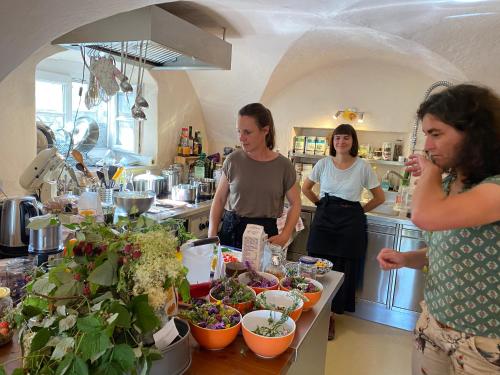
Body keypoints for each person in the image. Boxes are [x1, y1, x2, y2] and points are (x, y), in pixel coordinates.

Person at [377, 84, 500, 375]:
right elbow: (440, 249)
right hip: (433, 322)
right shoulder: (447, 185)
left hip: (482, 343)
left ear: (474, 135)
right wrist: (407, 259)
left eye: (436, 134)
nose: (428, 147)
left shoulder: (495, 188)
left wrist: (430, 172)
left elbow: (423, 215)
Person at [302, 124, 385, 340]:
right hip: (324, 220)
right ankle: (313, 311)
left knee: (341, 270)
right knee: (316, 266)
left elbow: (379, 197)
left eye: (345, 138)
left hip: (350, 225)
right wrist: (321, 204)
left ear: (353, 141)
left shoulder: (363, 167)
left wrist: (358, 212)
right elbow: (306, 188)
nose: (341, 142)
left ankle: (330, 318)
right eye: (337, 138)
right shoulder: (323, 164)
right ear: (332, 142)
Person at [208, 103, 301, 250]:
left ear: (265, 130)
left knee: (260, 274)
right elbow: (219, 199)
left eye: (247, 132)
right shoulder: (233, 160)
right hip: (231, 232)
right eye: (239, 131)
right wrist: (212, 233)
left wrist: (285, 235)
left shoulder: (284, 165)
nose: (241, 138)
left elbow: (295, 203)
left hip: (265, 236)